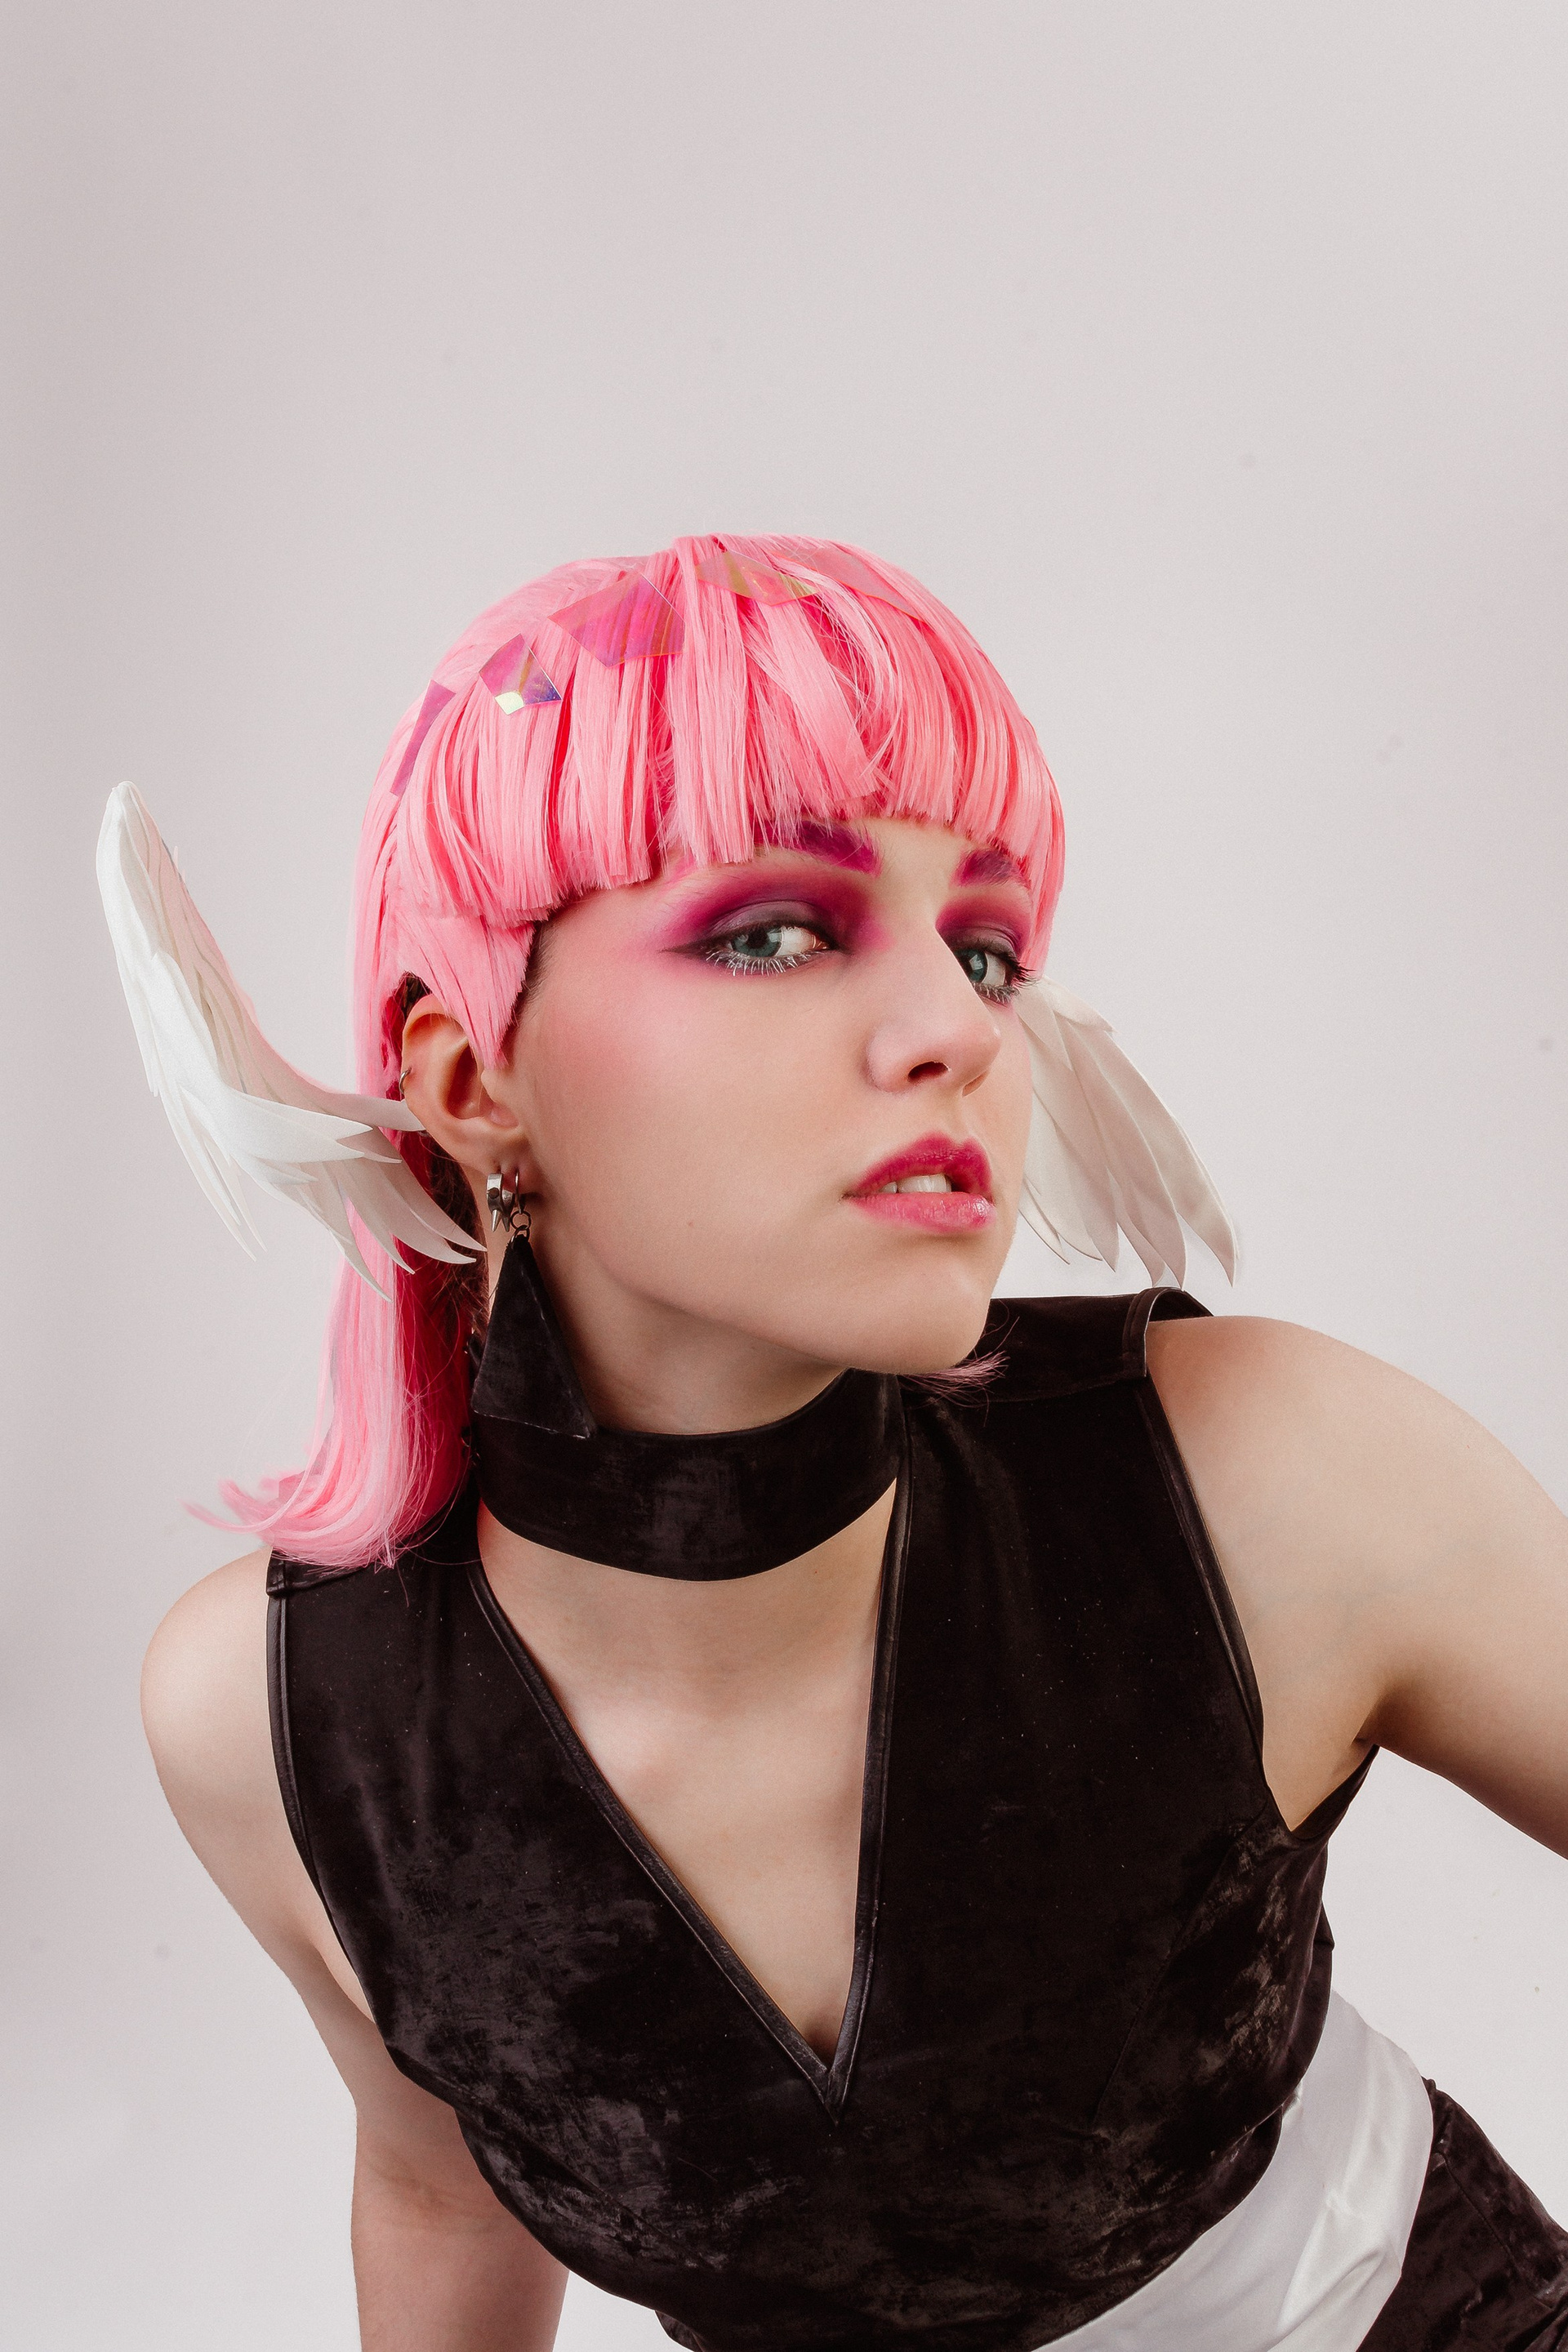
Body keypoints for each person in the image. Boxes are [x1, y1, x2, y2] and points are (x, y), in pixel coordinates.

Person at [102, 537, 1568, 2352]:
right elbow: (438, 2187)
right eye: (773, 933)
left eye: (988, 949)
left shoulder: (1273, 1475)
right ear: (472, 1081)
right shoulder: (273, 1721)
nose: (959, 1029)